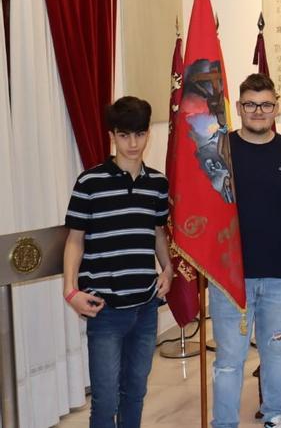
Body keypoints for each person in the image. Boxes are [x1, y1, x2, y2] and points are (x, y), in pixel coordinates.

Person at [211, 73, 281, 428]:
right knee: (229, 358)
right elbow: (206, 214)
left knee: (275, 351)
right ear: (239, 108)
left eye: (266, 104)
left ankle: (275, 415)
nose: (258, 111)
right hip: (230, 278)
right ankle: (224, 423)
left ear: (276, 108)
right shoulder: (219, 151)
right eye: (251, 104)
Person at [63, 96, 172, 428]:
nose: (133, 143)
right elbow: (74, 240)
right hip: (105, 308)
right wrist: (70, 290)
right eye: (125, 135)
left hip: (145, 306)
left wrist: (166, 269)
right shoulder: (89, 182)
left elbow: (157, 233)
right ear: (113, 135)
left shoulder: (157, 183)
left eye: (139, 134)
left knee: (135, 392)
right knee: (106, 399)